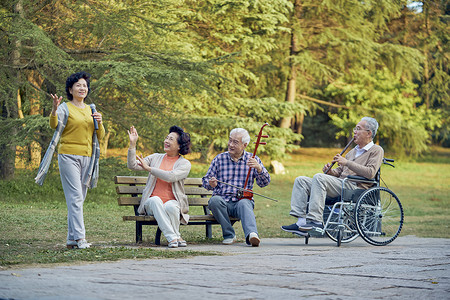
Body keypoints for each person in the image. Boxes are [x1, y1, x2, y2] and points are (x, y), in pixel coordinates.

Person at [35, 71, 105, 249]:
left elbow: (100, 135)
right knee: (75, 198)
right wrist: (53, 110)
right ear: (70, 89)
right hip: (68, 156)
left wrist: (100, 122)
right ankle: (81, 238)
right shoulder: (65, 107)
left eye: (85, 86)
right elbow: (54, 125)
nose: (82, 88)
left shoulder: (92, 109)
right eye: (78, 85)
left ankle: (71, 239)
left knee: (78, 199)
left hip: (88, 158)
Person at [281, 117, 384, 234]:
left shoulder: (376, 150)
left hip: (355, 187)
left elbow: (370, 173)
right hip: (341, 184)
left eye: (358, 129)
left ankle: (316, 220)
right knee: (301, 180)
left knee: (319, 178)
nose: (354, 132)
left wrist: (347, 162)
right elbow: (340, 172)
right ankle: (301, 222)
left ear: (369, 133)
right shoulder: (352, 152)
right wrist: (331, 172)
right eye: (355, 129)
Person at [202, 128, 271, 247]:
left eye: (235, 142)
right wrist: (211, 183)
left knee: (245, 203)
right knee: (214, 201)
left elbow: (264, 183)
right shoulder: (219, 159)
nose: (230, 144)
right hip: (223, 202)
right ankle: (229, 235)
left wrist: (259, 169)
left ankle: (252, 235)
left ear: (245, 145)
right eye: (230, 141)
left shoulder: (253, 159)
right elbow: (205, 181)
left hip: (241, 202)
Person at [127, 125, 192, 248]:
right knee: (155, 200)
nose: (166, 141)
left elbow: (171, 176)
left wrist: (149, 169)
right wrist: (132, 144)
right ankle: (173, 237)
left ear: (179, 146)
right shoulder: (155, 157)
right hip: (151, 204)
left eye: (171, 139)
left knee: (171, 207)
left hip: (173, 202)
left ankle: (174, 237)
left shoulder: (184, 164)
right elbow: (133, 165)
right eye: (166, 138)